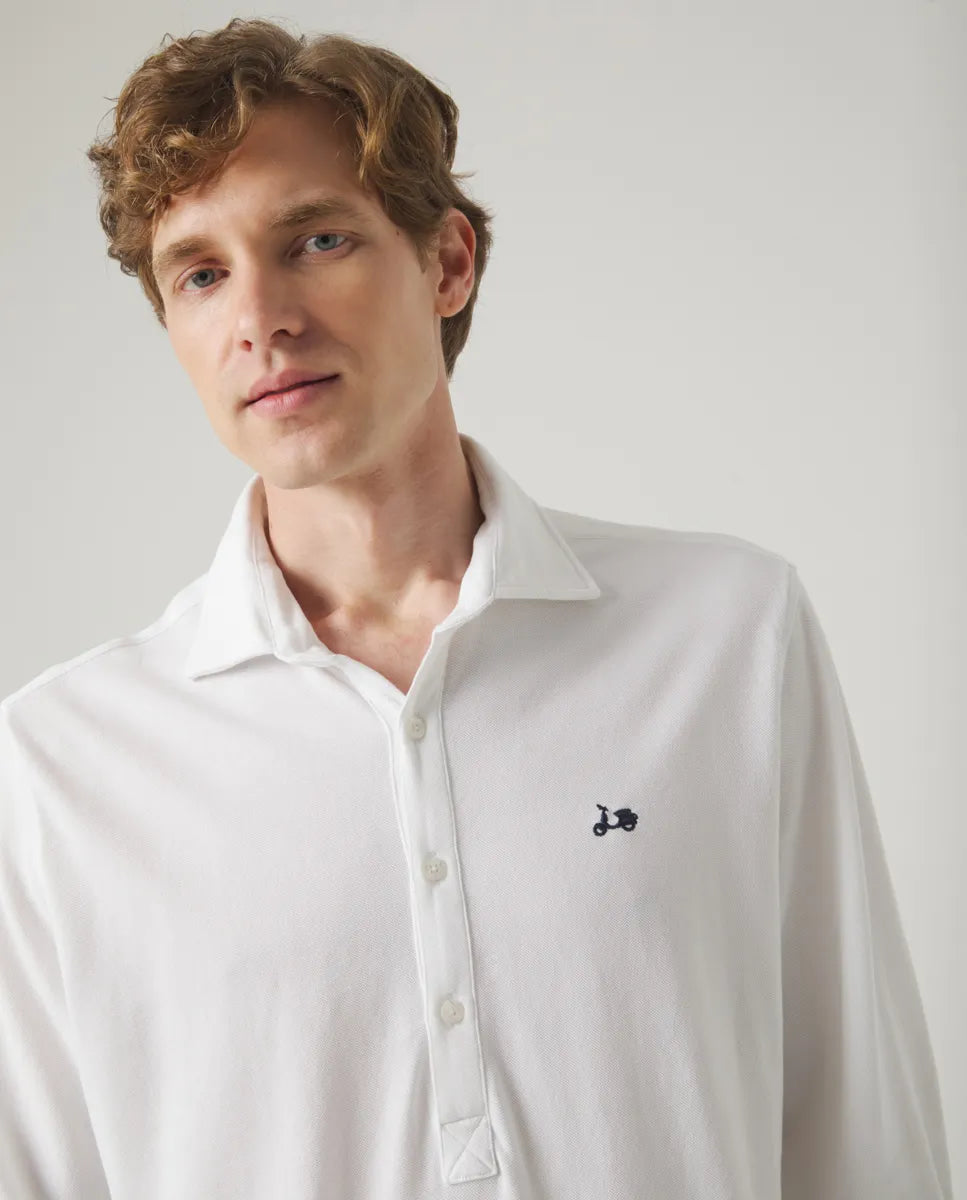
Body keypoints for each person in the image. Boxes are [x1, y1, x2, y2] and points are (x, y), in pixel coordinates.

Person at [0, 17, 953, 1200]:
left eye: (317, 239)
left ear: (447, 262)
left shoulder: (728, 635)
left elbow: (861, 1130)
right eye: (200, 273)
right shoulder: (63, 760)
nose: (260, 318)